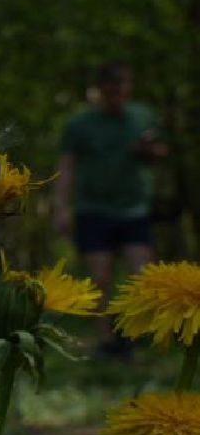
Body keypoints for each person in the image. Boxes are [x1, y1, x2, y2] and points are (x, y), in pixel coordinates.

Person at [54, 62, 168, 356]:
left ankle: (132, 334)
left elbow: (160, 153)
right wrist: (61, 208)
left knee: (142, 275)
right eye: (111, 87)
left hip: (134, 210)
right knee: (100, 279)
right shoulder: (79, 125)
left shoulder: (144, 117)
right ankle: (107, 342)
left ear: (129, 87)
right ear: (100, 90)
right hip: (93, 209)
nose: (117, 92)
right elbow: (66, 167)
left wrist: (149, 151)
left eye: (123, 86)